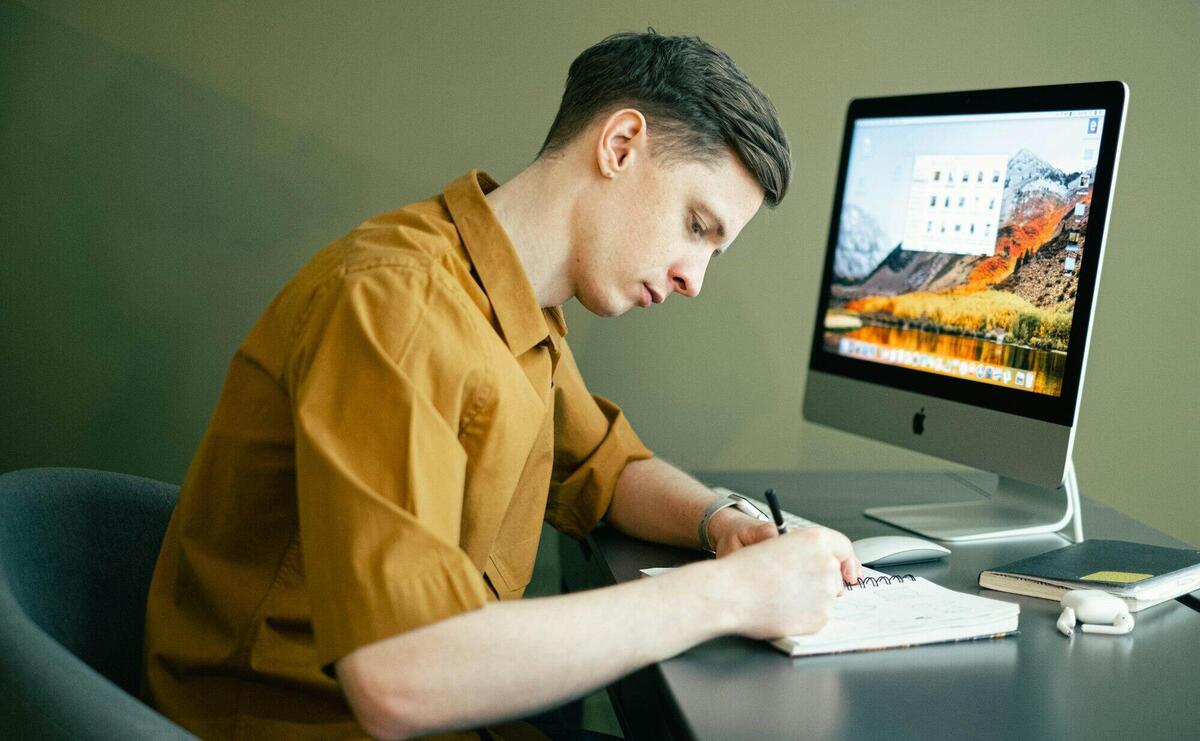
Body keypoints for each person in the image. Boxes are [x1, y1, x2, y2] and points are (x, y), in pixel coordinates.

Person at [142, 30, 861, 740]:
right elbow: (400, 674)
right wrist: (728, 596)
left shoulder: (518, 305)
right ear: (619, 145)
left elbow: (607, 471)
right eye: (696, 225)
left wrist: (723, 523)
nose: (693, 279)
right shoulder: (401, 305)